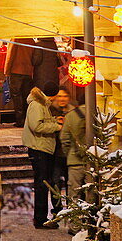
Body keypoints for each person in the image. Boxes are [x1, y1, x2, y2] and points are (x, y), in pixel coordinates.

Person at [22, 81, 63, 229]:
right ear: (52, 95)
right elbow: (36, 125)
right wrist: (56, 126)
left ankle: (41, 218)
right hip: (39, 149)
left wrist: (53, 120)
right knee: (42, 185)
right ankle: (40, 219)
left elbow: (41, 121)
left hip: (43, 149)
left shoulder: (42, 104)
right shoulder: (37, 105)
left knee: (44, 183)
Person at [50, 86, 74, 215]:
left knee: (70, 182)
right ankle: (57, 209)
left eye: (64, 96)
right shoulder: (50, 111)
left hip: (69, 153)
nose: (62, 99)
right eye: (59, 96)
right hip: (55, 153)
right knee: (55, 182)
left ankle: (71, 209)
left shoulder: (73, 112)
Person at [59, 100, 87, 209]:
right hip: (94, 161)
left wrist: (69, 153)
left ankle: (74, 224)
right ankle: (91, 222)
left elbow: (64, 138)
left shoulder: (71, 115)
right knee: (91, 193)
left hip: (75, 160)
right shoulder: (98, 114)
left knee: (74, 193)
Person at [4, 38, 35, 126]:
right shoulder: (31, 40)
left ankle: (20, 120)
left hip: (16, 70)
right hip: (28, 72)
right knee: (26, 96)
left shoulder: (15, 39)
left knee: (16, 96)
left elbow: (11, 55)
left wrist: (7, 70)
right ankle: (26, 120)